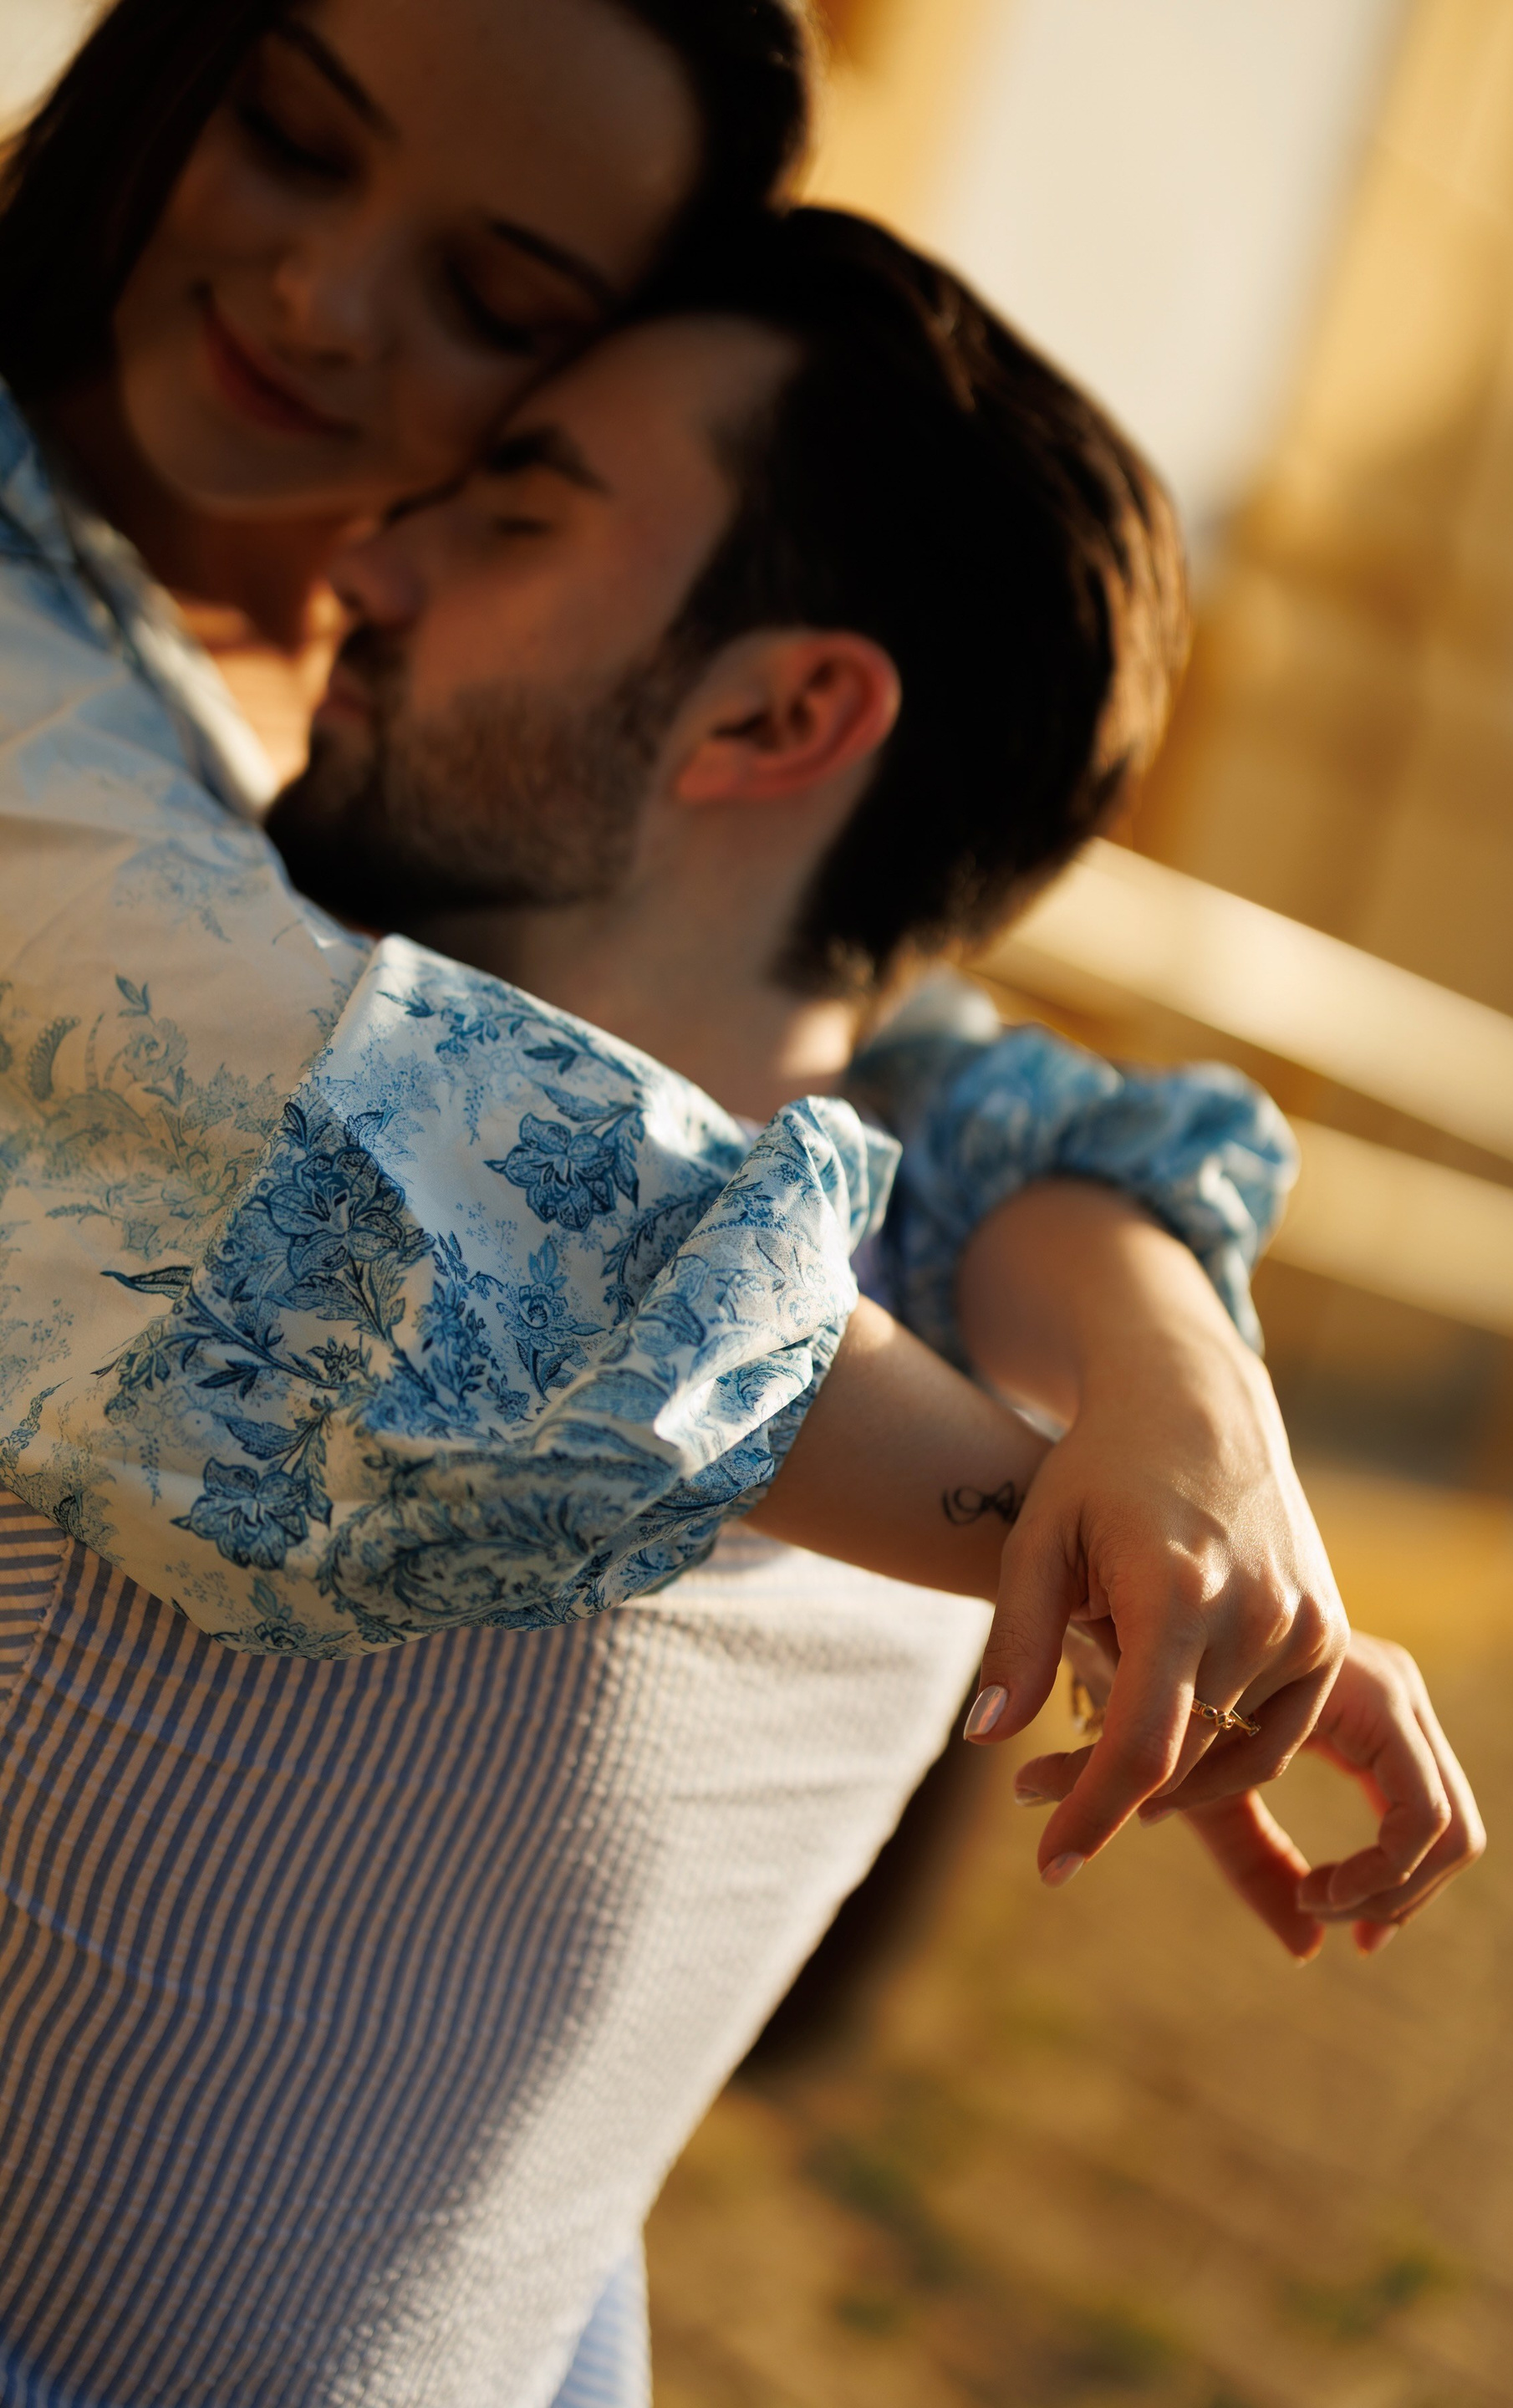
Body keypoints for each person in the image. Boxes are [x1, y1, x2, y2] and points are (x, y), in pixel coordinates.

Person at [0, 206, 1479, 2408]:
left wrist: (1171, 1395)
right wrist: (1127, 1482)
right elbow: (479, 1167)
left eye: (511, 515)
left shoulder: (947, 1276)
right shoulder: (183, 1062)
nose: (366, 569)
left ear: (785, 710)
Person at [0, 0, 1360, 1840]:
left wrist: (1181, 1385)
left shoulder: (382, 667)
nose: (324, 299)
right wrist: (1108, 1550)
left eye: (496, 299)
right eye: (294, 140)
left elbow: (910, 1064)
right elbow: (350, 1119)